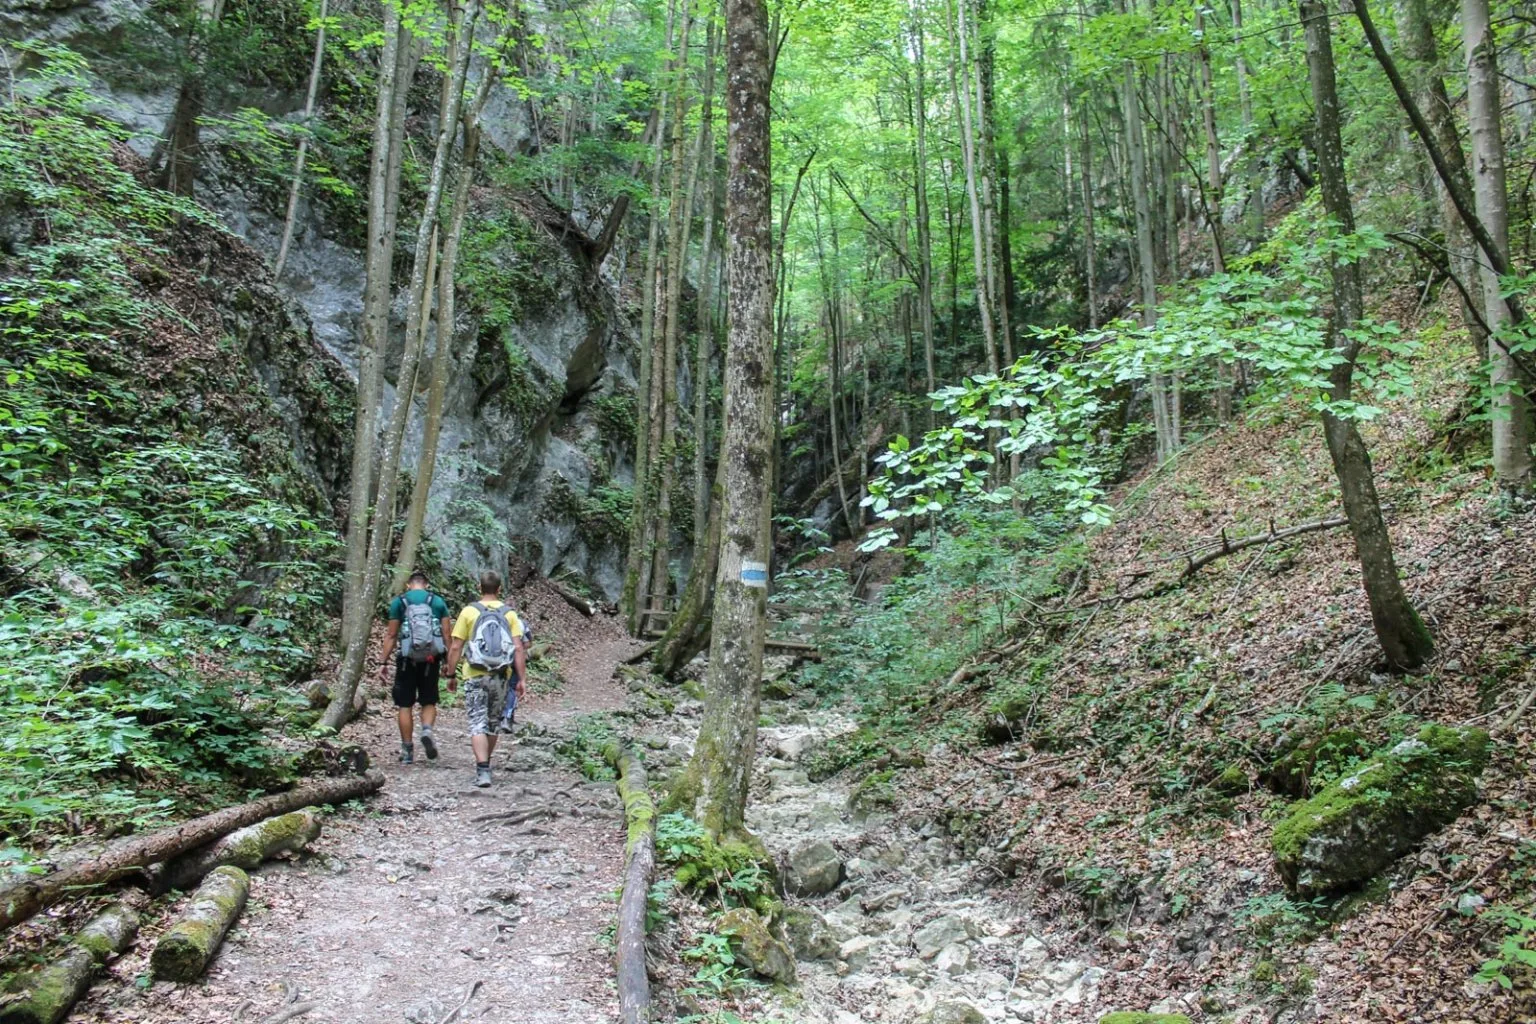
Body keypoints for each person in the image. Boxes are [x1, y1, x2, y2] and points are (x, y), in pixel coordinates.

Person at [443, 570, 527, 787]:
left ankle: (482, 770)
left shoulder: (469, 612)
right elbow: (518, 648)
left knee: (477, 721)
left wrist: (450, 674)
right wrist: (521, 679)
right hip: (500, 676)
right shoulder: (509, 614)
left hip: (474, 675)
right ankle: (486, 763)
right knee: (493, 722)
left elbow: (455, 646)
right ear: (499, 589)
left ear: (479, 588)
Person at [379, 571, 453, 764]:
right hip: (431, 659)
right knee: (429, 700)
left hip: (406, 660)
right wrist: (449, 663)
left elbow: (391, 635)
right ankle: (427, 729)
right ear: (426, 585)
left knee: (405, 704)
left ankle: (407, 750)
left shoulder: (399, 602)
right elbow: (447, 635)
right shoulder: (437, 602)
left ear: (408, 585)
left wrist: (383, 662)